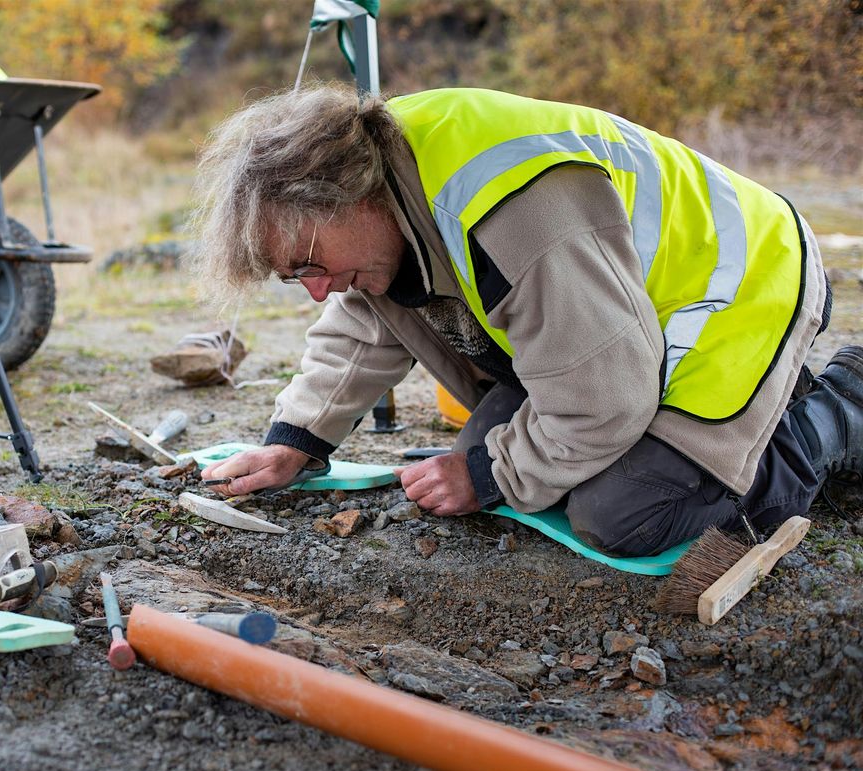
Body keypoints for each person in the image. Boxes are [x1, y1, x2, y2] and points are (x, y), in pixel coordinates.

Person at [188, 84, 862, 557]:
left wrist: (489, 475)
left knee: (621, 512)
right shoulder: (380, 194)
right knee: (488, 456)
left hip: (744, 283)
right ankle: (766, 404)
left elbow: (607, 400)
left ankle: (835, 411)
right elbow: (365, 326)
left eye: (310, 264)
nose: (316, 291)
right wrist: (297, 441)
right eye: (295, 277)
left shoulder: (511, 205)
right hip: (612, 320)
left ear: (348, 199)